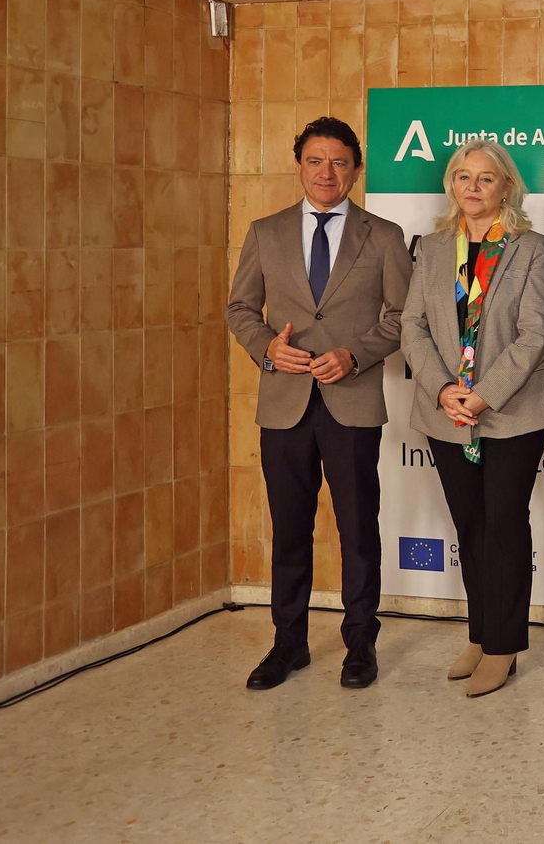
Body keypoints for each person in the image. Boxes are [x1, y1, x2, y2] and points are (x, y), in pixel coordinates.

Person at [226, 117, 412, 690]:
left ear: (356, 169)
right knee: (289, 529)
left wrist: (354, 356)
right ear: (299, 164)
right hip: (283, 405)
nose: (326, 172)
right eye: (315, 160)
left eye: (339, 162)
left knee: (358, 527)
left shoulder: (383, 235)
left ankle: (361, 644)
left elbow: (403, 318)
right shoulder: (266, 231)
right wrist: (268, 351)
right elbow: (240, 311)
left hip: (351, 401)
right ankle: (289, 644)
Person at [401, 141, 544, 697]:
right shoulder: (433, 248)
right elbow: (412, 326)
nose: (473, 186)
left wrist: (483, 395)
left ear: (506, 187)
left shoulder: (531, 249)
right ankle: (479, 632)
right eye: (463, 177)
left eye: (486, 178)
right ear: (452, 186)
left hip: (511, 413)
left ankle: (504, 645)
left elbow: (537, 333)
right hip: (445, 412)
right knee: (470, 526)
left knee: (503, 525)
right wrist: (444, 389)